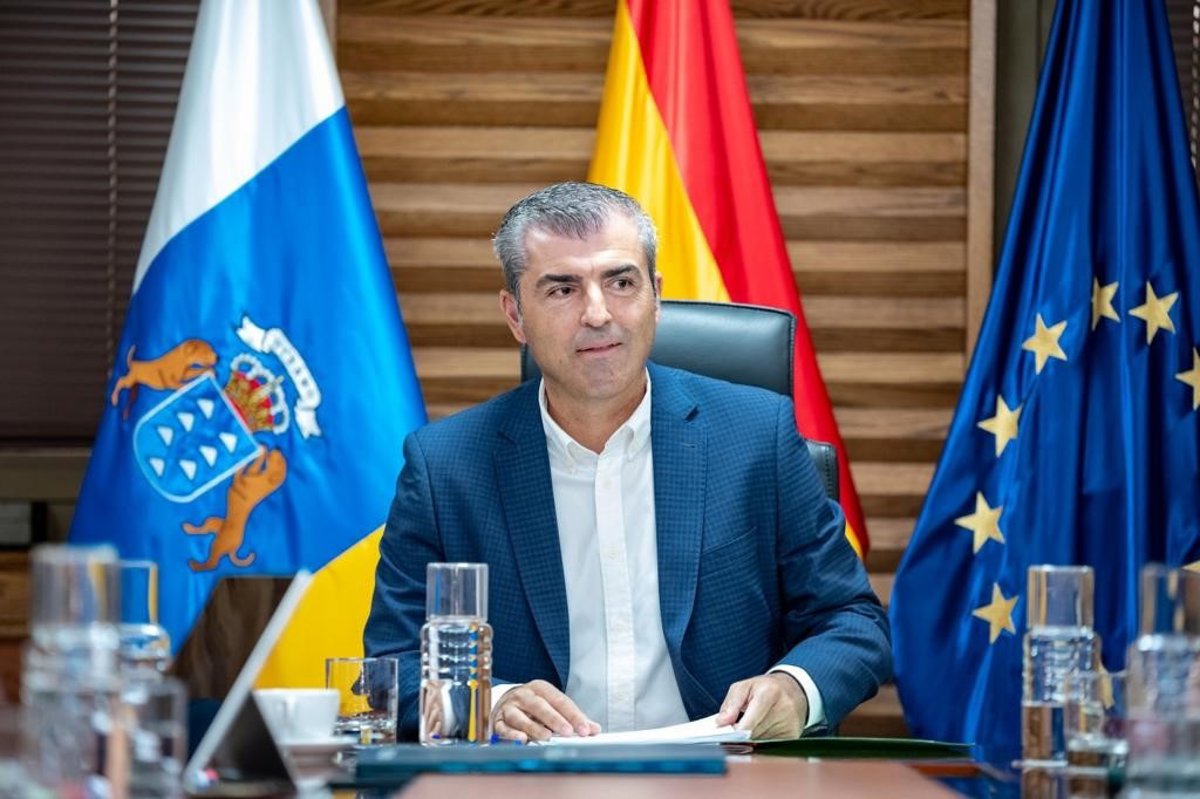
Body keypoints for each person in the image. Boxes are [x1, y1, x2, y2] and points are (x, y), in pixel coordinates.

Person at [364, 182, 891, 742]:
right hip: (535, 776)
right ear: (515, 316)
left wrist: (794, 688)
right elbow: (391, 666)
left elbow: (852, 621)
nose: (598, 314)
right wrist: (490, 703)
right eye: (562, 289)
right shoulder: (445, 467)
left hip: (723, 769)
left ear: (655, 297)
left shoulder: (758, 436)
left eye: (621, 283)